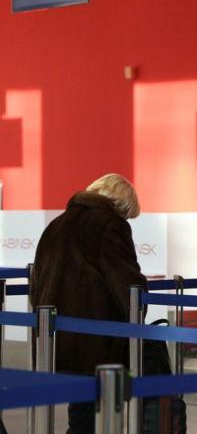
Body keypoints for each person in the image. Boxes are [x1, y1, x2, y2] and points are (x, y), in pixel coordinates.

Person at [30, 173, 147, 434]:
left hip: (58, 335)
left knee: (81, 412)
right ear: (122, 204)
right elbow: (127, 282)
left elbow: (37, 282)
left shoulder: (58, 223)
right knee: (93, 416)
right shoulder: (110, 225)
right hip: (96, 338)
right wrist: (140, 307)